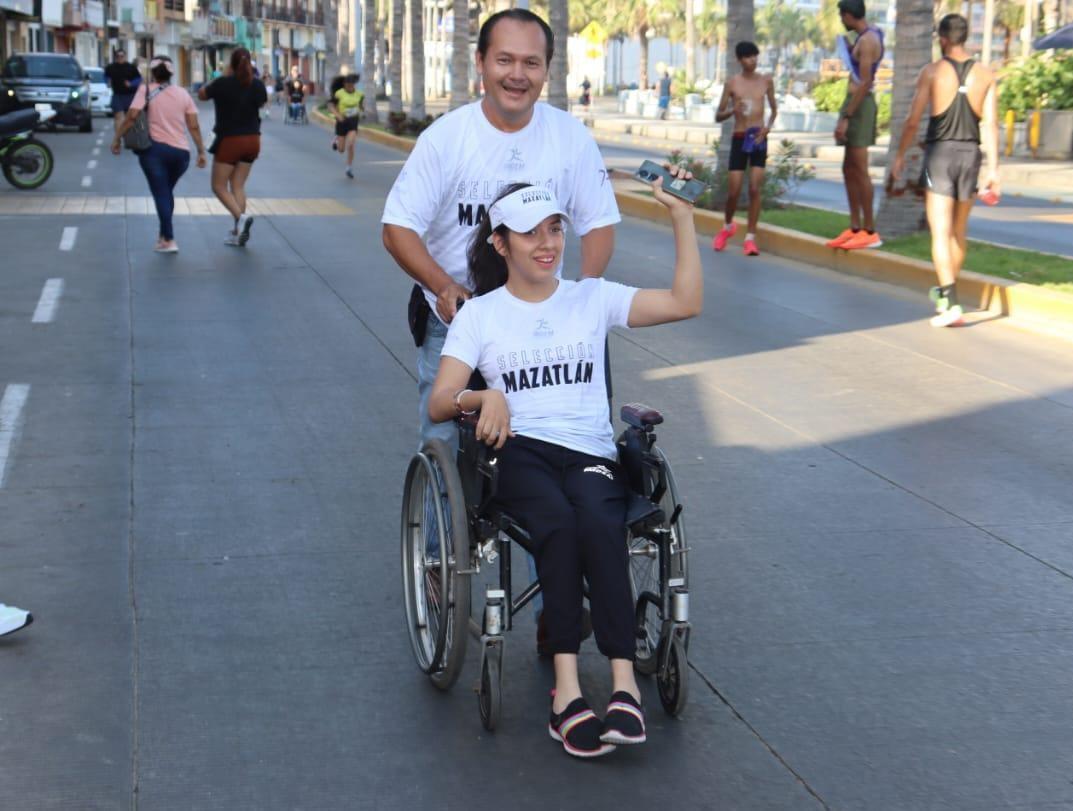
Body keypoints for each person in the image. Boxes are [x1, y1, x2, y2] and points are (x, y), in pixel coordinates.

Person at [428, 175, 702, 758]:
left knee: (601, 522)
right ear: (500, 244)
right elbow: (440, 400)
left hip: (588, 452)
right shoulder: (480, 315)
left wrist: (681, 218)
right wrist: (483, 398)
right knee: (556, 524)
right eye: (529, 233)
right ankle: (567, 692)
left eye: (554, 228)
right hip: (518, 450)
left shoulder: (590, 297)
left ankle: (624, 687)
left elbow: (685, 302)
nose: (546, 243)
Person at [382, 8, 619, 655]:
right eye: (504, 60)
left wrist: (582, 299)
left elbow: (598, 225)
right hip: (459, 325)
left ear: (547, 70)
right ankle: (437, 572)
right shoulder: (447, 139)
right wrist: (443, 284)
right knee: (449, 460)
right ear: (482, 64)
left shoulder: (568, 140)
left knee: (564, 461)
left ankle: (558, 606)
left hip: (543, 334)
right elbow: (397, 227)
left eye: (531, 62)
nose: (517, 74)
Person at [890, 14, 999, 328]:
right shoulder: (986, 75)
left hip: (939, 154)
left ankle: (950, 304)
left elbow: (913, 120)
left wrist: (900, 155)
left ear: (942, 39)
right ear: (965, 37)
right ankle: (947, 295)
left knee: (939, 231)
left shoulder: (933, 72)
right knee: (958, 231)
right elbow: (991, 124)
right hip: (970, 154)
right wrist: (994, 169)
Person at [112, 55, 208, 253]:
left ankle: (169, 239)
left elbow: (131, 117)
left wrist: (117, 138)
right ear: (171, 74)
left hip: (154, 152)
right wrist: (201, 151)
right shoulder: (183, 94)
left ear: (153, 73)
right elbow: (193, 125)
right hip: (181, 154)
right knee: (165, 192)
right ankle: (163, 236)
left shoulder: (144, 90)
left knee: (161, 193)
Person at [825, 0, 885, 251]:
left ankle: (870, 231)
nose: (840, 19)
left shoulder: (869, 40)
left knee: (860, 169)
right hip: (852, 104)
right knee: (848, 167)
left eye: (842, 15)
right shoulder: (864, 37)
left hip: (859, 107)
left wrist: (847, 117)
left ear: (849, 15)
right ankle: (855, 227)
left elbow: (865, 82)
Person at [712, 41, 777, 257]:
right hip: (740, 138)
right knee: (734, 191)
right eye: (748, 57)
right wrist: (733, 110)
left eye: (755, 56)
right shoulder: (732, 84)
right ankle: (728, 226)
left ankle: (750, 238)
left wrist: (767, 128)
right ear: (740, 60)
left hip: (758, 138)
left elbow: (774, 110)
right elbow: (718, 115)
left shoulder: (766, 81)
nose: (753, 60)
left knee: (755, 189)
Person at [198, 48, 267, 247]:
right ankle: (238, 232)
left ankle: (241, 218)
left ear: (231, 63)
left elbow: (202, 94)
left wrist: (225, 75)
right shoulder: (257, 85)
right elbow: (262, 103)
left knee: (218, 186)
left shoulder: (222, 83)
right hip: (253, 140)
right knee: (237, 185)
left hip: (230, 140)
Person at [329, 73, 364, 179]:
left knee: (351, 144)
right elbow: (331, 106)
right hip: (342, 122)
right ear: (344, 84)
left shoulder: (359, 94)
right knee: (341, 149)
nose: (349, 87)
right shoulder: (339, 94)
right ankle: (336, 141)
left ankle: (349, 168)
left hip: (353, 121)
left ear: (354, 85)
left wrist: (362, 111)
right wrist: (338, 115)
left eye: (351, 85)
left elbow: (361, 106)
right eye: (347, 85)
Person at [104, 49, 141, 139]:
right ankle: (118, 137)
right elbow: (105, 76)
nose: (120, 58)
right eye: (118, 56)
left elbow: (139, 79)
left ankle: (129, 135)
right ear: (115, 57)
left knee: (131, 118)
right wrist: (107, 82)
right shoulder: (110, 67)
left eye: (122, 56)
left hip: (130, 95)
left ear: (125, 57)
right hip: (117, 95)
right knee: (118, 116)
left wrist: (131, 84)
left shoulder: (131, 67)